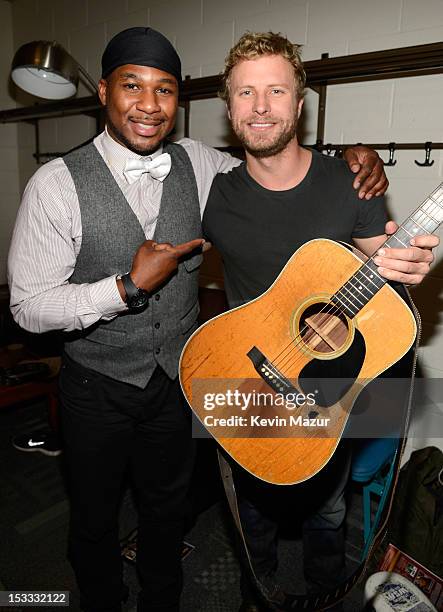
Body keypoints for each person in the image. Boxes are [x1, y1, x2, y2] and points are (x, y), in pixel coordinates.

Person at [7, 26, 434, 612]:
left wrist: (366, 173)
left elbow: (362, 252)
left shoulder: (235, 171)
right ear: (103, 92)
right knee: (106, 515)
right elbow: (27, 307)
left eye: (163, 90)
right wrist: (124, 288)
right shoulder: (78, 184)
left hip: (239, 378)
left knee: (203, 511)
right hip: (132, 381)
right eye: (132, 86)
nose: (148, 105)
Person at [202, 31, 439, 612]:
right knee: (250, 510)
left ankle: (326, 596)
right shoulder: (212, 191)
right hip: (247, 376)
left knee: (327, 512)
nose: (261, 107)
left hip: (327, 383)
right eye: (246, 93)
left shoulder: (349, 181)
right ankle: (254, 593)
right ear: (229, 108)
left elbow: (384, 288)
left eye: (276, 91)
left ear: (299, 105)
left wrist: (409, 270)